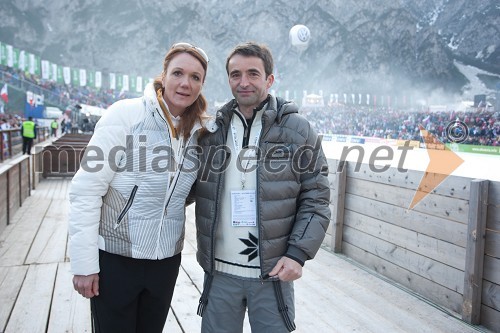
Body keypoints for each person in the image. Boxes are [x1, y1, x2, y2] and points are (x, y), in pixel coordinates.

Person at [68, 42, 210, 333]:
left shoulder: (199, 132)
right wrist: (84, 265)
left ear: (202, 84)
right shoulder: (125, 115)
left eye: (195, 77)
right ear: (164, 74)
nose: (185, 83)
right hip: (117, 259)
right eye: (178, 73)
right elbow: (86, 190)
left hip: (165, 261)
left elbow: (186, 190)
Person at [194, 42, 331, 332]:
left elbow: (316, 198)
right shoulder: (210, 132)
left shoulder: (298, 130)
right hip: (219, 272)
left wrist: (298, 253)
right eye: (235, 74)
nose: (243, 82)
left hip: (272, 273)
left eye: (253, 74)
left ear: (269, 79)